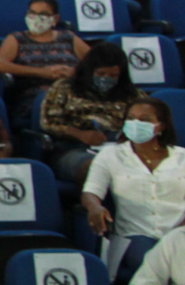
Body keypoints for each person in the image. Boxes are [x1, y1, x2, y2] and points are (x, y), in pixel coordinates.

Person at [81, 95, 185, 277]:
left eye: (144, 120)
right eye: (131, 118)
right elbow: (91, 191)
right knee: (156, 266)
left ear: (161, 126)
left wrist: (181, 232)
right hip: (134, 236)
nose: (135, 123)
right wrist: (94, 206)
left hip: (182, 233)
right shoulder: (110, 155)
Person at [39, 41, 142, 184]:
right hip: (75, 148)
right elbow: (48, 122)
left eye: (113, 75)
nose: (106, 78)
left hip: (120, 147)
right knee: (96, 169)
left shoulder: (132, 94)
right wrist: (80, 134)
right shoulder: (65, 87)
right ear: (89, 70)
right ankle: (90, 205)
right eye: (101, 73)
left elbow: (149, 120)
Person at [0, 0, 91, 126]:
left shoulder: (68, 37)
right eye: (32, 13)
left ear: (55, 19)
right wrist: (42, 72)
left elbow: (97, 62)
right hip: (35, 98)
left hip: (73, 91)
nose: (36, 18)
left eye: (43, 14)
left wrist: (74, 72)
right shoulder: (17, 39)